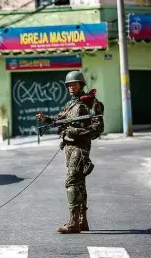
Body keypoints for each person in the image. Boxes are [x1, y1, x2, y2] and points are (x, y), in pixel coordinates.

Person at [36, 71, 104, 234]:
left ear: (81, 84)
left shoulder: (91, 103)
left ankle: (73, 223)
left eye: (74, 84)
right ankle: (83, 221)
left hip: (80, 148)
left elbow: (98, 127)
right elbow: (59, 120)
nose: (71, 87)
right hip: (69, 147)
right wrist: (45, 119)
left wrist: (76, 132)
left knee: (71, 182)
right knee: (80, 183)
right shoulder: (70, 104)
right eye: (69, 85)